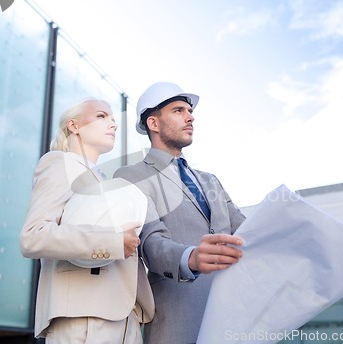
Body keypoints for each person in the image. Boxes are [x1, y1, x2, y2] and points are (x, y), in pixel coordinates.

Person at [114, 82, 245, 344]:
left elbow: (243, 230)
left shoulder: (211, 181)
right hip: (177, 320)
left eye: (189, 110)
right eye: (178, 110)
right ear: (153, 123)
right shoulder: (131, 176)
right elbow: (150, 242)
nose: (190, 116)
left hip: (232, 319)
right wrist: (192, 258)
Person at [20, 98, 154, 344]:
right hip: (85, 320)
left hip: (124, 319)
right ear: (74, 125)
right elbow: (34, 236)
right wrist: (113, 242)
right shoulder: (59, 163)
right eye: (102, 116)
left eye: (113, 119)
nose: (113, 123)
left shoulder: (101, 179)